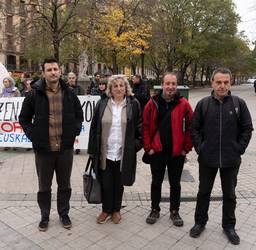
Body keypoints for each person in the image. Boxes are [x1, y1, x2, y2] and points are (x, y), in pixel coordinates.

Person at [189, 68, 253, 245]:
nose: (222, 86)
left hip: (230, 159)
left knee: (230, 194)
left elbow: (247, 128)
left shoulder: (239, 104)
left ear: (230, 83)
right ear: (212, 83)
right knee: (203, 192)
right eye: (219, 82)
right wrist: (201, 148)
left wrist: (239, 148)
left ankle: (229, 226)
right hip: (207, 158)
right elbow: (194, 129)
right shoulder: (203, 104)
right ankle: (200, 222)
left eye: (225, 82)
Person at [19, 58, 83, 232]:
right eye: (49, 70)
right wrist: (34, 136)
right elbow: (23, 118)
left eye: (55, 69)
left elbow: (79, 115)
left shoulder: (69, 93)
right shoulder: (34, 94)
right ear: (43, 73)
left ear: (60, 71)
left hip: (65, 149)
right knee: (44, 187)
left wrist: (74, 133)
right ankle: (44, 216)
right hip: (43, 150)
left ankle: (64, 214)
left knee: (65, 185)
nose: (53, 72)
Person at [88, 75, 142, 224]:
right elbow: (94, 128)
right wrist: (93, 150)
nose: (119, 88)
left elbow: (140, 129)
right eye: (115, 86)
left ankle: (116, 210)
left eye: (121, 85)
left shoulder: (133, 104)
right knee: (105, 183)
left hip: (123, 154)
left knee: (119, 184)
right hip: (105, 153)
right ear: (110, 89)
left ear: (126, 88)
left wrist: (133, 147)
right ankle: (106, 210)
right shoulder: (102, 104)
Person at [143, 72, 193, 227]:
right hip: (156, 152)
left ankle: (174, 210)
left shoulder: (184, 104)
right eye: (168, 83)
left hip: (176, 153)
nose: (170, 87)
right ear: (162, 84)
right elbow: (144, 126)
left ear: (176, 85)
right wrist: (148, 147)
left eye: (173, 84)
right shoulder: (152, 103)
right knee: (156, 182)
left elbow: (192, 127)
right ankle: (154, 209)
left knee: (175, 183)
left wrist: (186, 148)